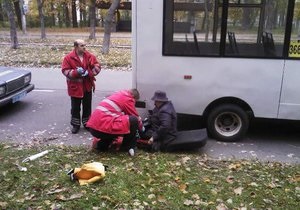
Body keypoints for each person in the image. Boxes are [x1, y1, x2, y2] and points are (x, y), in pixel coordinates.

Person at [86, 89, 143, 156]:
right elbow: (135, 116)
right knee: (133, 120)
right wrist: (142, 128)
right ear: (133, 96)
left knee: (117, 123)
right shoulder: (128, 98)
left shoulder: (118, 94)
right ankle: (126, 146)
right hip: (103, 127)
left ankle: (101, 146)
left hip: (93, 127)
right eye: (135, 101)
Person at [62, 39, 101, 134]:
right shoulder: (68, 58)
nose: (84, 47)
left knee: (87, 106)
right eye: (82, 45)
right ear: (76, 47)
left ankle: (87, 123)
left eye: (85, 45)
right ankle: (76, 125)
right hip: (75, 88)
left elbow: (98, 66)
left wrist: (90, 72)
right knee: (75, 107)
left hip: (87, 86)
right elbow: (65, 71)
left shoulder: (90, 56)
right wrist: (76, 72)